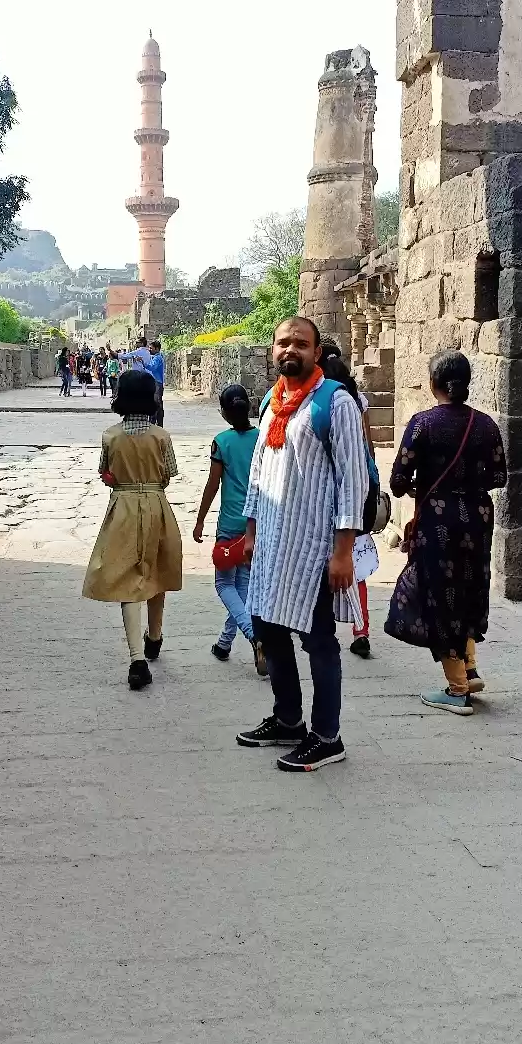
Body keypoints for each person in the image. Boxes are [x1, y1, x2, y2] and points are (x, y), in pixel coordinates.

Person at [237, 316, 369, 772]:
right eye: (282, 343)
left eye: (300, 343)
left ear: (316, 351)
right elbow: (258, 472)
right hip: (273, 542)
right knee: (269, 629)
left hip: (313, 546)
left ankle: (327, 736)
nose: (290, 350)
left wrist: (343, 551)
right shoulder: (272, 402)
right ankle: (289, 719)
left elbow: (352, 482)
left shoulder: (335, 404)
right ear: (272, 350)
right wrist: (250, 532)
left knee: (317, 641)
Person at [385, 351, 507, 715]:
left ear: (434, 383)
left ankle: (456, 689)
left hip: (438, 522)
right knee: (470, 587)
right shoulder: (486, 425)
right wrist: (467, 484)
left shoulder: (423, 423)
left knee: (436, 594)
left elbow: (398, 481)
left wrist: (427, 487)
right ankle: (468, 667)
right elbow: (499, 477)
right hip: (477, 518)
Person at [82, 369, 182, 690]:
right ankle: (155, 635)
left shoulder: (111, 436)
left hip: (123, 507)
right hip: (156, 503)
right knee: (156, 571)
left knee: (129, 579)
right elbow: (168, 474)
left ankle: (137, 659)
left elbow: (105, 473)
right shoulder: (161, 437)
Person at [193, 383, 268, 675]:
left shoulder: (221, 442)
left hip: (230, 524)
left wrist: (200, 518)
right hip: (256, 523)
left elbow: (213, 484)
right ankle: (225, 643)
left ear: (224, 413)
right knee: (243, 587)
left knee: (224, 584)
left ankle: (253, 634)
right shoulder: (261, 438)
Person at [320, 340, 379, 661]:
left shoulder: (321, 400)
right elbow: (368, 448)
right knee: (355, 563)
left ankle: (324, 627)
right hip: (360, 486)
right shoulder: (358, 402)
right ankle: (361, 628)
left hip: (327, 491)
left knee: (323, 562)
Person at [149, 340, 165, 427]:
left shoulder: (157, 358)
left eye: (151, 348)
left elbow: (152, 367)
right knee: (158, 405)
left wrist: (144, 363)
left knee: (156, 404)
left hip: (157, 383)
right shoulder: (157, 357)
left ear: (157, 348)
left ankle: (154, 424)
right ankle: (158, 424)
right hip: (157, 382)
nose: (149, 349)